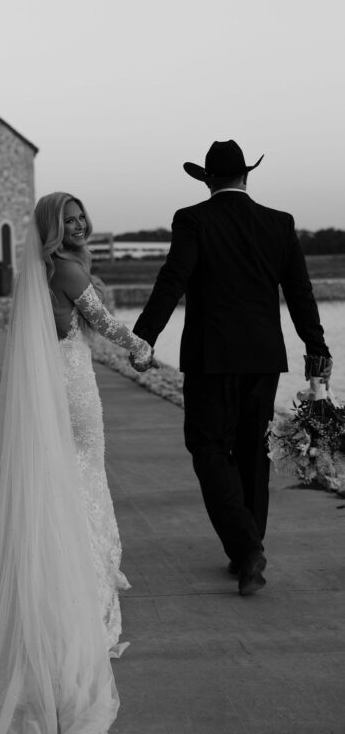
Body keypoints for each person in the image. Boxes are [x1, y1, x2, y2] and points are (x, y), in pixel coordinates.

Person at [0, 192, 153, 734]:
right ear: (53, 229)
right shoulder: (69, 270)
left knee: (66, 489)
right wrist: (141, 347)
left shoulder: (46, 269)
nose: (79, 225)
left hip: (58, 381)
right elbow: (103, 324)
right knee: (85, 485)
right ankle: (82, 613)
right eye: (68, 220)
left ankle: (64, 595)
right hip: (75, 388)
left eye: (81, 217)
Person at [130, 140, 332, 596]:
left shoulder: (193, 219)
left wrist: (143, 338)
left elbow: (172, 280)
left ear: (207, 179)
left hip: (211, 358)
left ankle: (245, 550)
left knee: (207, 447)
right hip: (263, 358)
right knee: (251, 451)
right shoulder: (279, 223)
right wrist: (317, 352)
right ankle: (247, 549)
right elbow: (301, 294)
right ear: (247, 176)